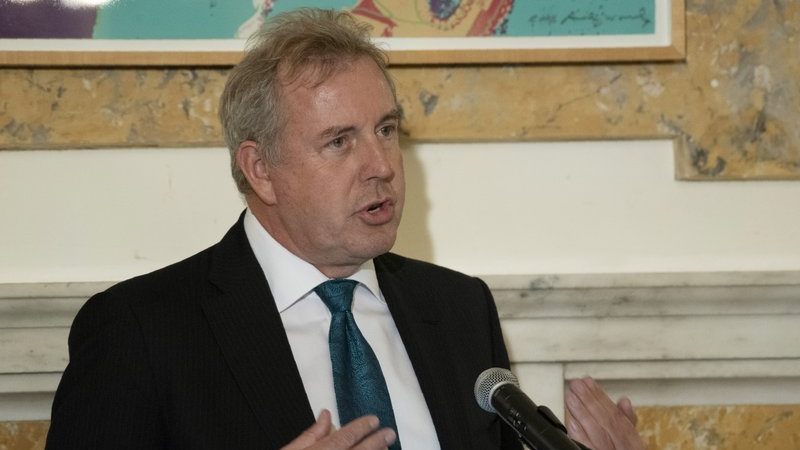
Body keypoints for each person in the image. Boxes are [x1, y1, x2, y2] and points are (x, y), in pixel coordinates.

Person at [46, 8, 643, 450]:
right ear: (261, 169)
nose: (381, 165)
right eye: (339, 141)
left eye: (386, 129)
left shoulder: (459, 309)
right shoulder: (140, 330)